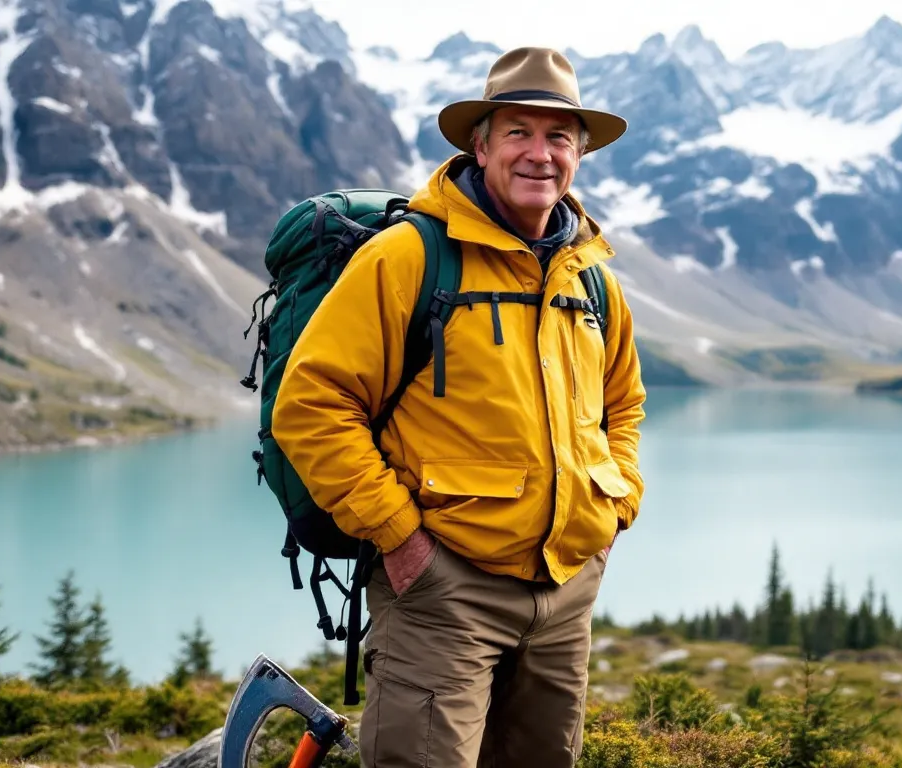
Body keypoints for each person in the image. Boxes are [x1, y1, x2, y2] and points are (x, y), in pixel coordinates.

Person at [271, 46, 647, 767]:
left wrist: (614, 508)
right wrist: (401, 539)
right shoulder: (412, 257)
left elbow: (622, 405)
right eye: (518, 133)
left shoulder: (592, 278)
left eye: (559, 137)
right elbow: (311, 405)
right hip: (445, 591)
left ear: (580, 154)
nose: (540, 154)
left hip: (565, 593)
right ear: (480, 144)